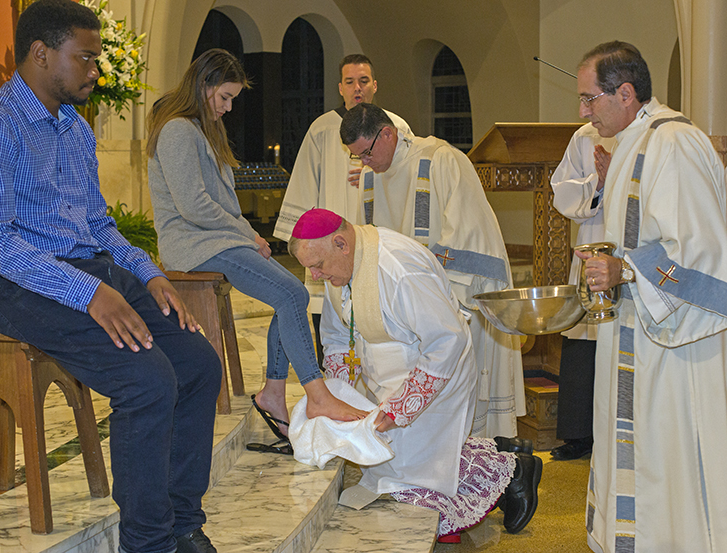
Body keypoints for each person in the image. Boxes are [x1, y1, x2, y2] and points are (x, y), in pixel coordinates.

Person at [0, 2, 221, 552]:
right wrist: (87, 293)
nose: (96, 71)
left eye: (98, 60)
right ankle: (148, 544)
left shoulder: (74, 129)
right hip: (13, 286)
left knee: (197, 363)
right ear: (41, 54)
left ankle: (182, 523)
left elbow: (98, 223)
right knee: (147, 383)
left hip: (92, 273)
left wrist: (147, 275)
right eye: (87, 58)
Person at [146, 49, 365, 453]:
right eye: (225, 97)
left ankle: (275, 392)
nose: (228, 107)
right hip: (194, 245)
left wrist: (244, 232)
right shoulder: (178, 130)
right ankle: (311, 395)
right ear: (204, 85)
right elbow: (192, 205)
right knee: (292, 294)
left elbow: (220, 202)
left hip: (216, 239)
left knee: (292, 295)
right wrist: (246, 233)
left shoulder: (199, 129)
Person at [288, 209, 542, 541]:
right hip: (388, 375)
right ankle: (502, 452)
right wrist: (338, 395)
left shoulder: (397, 267)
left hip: (436, 371)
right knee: (380, 452)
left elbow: (448, 339)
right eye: (309, 268)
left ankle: (512, 470)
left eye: (317, 266)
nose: (315, 276)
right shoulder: (338, 269)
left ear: (341, 243)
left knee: (407, 464)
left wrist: (403, 407)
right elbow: (337, 337)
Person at [575, 41, 727, 553]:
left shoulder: (675, 142)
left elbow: (700, 249)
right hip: (638, 328)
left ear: (625, 91)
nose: (583, 112)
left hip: (676, 343)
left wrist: (625, 268)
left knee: (670, 454)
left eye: (589, 99)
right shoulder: (635, 142)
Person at [339, 103, 525, 439]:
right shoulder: (369, 177)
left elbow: (471, 235)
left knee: (460, 400)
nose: (363, 163)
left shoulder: (441, 160)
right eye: (357, 157)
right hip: (401, 310)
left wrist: (431, 299)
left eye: (366, 153)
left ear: (388, 134)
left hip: (452, 296)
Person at [274, 54, 412, 368]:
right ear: (340, 87)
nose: (357, 88)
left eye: (363, 81)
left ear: (375, 85)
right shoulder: (322, 129)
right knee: (332, 328)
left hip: (378, 249)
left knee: (381, 328)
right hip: (331, 248)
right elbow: (305, 188)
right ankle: (336, 387)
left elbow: (408, 180)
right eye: (350, 82)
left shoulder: (394, 127)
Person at [549, 123, 614, 461]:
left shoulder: (651, 135)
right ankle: (579, 435)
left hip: (628, 250)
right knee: (582, 340)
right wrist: (598, 182)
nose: (584, 110)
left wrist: (616, 174)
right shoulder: (585, 136)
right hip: (593, 240)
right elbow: (561, 191)